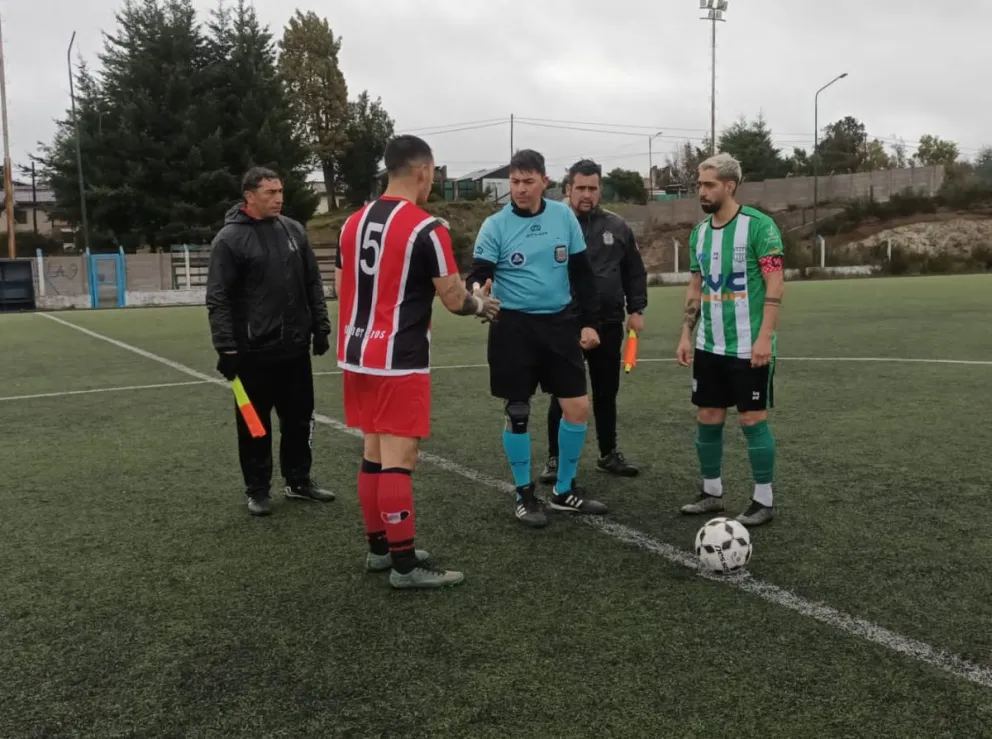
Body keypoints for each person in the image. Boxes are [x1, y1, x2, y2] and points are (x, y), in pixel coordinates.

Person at [336, 134, 500, 589]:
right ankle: (405, 566)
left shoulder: (351, 223)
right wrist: (482, 304)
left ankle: (380, 549)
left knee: (373, 451)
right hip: (399, 356)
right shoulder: (427, 229)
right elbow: (453, 299)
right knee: (400, 457)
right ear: (423, 170)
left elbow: (341, 285)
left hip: (357, 353)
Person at [467, 149, 608, 529]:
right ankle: (523, 493)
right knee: (518, 412)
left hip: (560, 324)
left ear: (544, 182)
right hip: (512, 327)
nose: (521, 189)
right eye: (515, 181)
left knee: (577, 407)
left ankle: (564, 490)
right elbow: (478, 273)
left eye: (528, 181)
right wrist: (479, 293)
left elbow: (582, 275)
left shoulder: (563, 217)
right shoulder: (495, 225)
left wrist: (589, 323)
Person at [206, 166, 335, 517]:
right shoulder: (229, 239)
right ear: (250, 196)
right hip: (252, 353)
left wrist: (320, 326)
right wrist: (226, 347)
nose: (279, 198)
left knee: (299, 419)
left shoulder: (293, 230)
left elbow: (312, 282)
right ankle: (258, 490)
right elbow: (218, 298)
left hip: (294, 348)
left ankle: (299, 481)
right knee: (255, 425)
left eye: (280, 191)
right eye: (270, 192)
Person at [676, 153, 784, 527]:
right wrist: (686, 333)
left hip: (748, 345)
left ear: (729, 186)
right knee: (708, 416)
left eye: (709, 185)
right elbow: (696, 286)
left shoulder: (760, 227)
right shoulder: (699, 233)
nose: (701, 191)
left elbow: (775, 283)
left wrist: (765, 337)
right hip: (709, 344)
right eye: (699, 184)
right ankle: (711, 492)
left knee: (752, 419)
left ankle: (763, 500)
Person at [539, 159, 647, 484]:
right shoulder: (552, 224)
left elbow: (634, 271)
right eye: (581, 188)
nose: (586, 194)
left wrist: (636, 310)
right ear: (568, 189)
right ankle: (555, 458)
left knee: (606, 392)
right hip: (565, 322)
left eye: (593, 188)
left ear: (600, 190)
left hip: (609, 322)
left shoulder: (617, 226)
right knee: (563, 393)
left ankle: (608, 453)